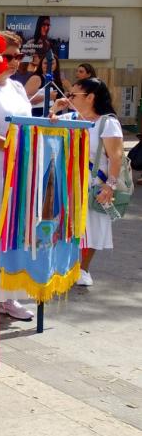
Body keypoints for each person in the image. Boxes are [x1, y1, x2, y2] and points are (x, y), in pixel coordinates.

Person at [49, 78, 124, 287]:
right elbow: (45, 129)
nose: (68, 98)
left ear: (90, 97)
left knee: (93, 227)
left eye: (73, 95)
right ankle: (64, 266)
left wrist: (111, 185)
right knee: (65, 225)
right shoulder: (71, 117)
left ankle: (83, 269)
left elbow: (115, 156)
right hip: (68, 182)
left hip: (95, 183)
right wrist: (55, 108)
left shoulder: (107, 122)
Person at [0, 31, 36, 321]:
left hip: (18, 166)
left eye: (19, 56)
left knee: (13, 231)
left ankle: (7, 295)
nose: (14, 62)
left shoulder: (17, 89)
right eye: (8, 56)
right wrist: (12, 145)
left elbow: (28, 124)